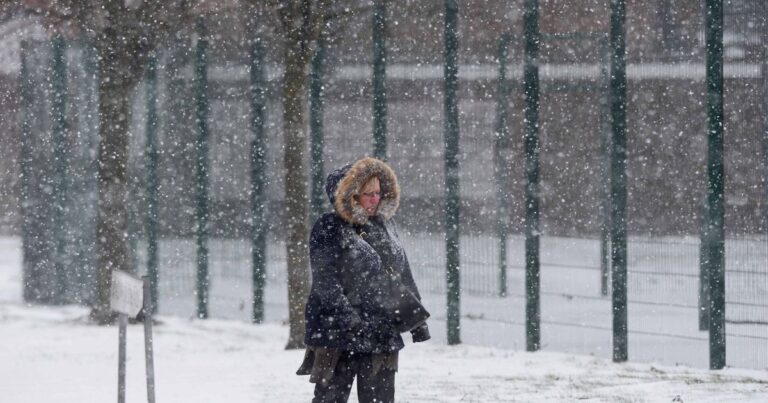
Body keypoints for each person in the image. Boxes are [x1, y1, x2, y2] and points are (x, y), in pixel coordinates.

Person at [297, 156, 430, 403]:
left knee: (380, 398)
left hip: (381, 331)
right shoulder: (329, 227)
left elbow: (401, 272)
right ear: (350, 195)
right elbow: (325, 281)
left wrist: (416, 320)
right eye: (367, 193)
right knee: (331, 399)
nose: (375, 199)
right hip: (337, 333)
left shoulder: (385, 225)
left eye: (378, 193)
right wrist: (350, 320)